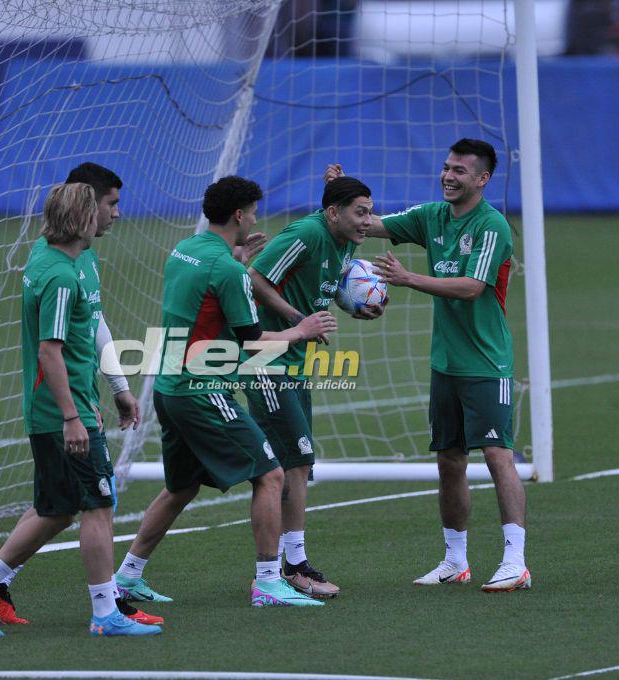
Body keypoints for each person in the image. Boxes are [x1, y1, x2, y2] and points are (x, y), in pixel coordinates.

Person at [113, 175, 337, 607]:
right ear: (239, 214)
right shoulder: (230, 272)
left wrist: (234, 256)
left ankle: (127, 576)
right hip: (203, 391)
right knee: (271, 474)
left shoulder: (186, 250)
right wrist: (301, 329)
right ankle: (269, 582)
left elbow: (206, 290)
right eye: (253, 211)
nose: (255, 218)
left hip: (169, 387)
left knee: (180, 487)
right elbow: (254, 343)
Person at [0, 183, 162, 637]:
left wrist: (110, 391)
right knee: (99, 506)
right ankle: (105, 614)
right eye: (108, 207)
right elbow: (50, 352)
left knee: (57, 508)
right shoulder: (62, 275)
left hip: (55, 409)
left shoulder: (53, 258)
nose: (115, 215)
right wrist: (73, 416)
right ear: (82, 218)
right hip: (63, 413)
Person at [324, 138, 531, 592]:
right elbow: (372, 225)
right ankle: (455, 560)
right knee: (449, 461)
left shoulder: (492, 226)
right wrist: (342, 201)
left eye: (460, 170)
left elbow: (473, 287)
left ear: (482, 179)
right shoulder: (430, 216)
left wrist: (407, 278)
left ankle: (515, 561)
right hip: (446, 362)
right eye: (446, 167)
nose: (449, 176)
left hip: (486, 361)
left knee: (498, 456)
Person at [241, 176, 384, 598]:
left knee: (293, 465)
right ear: (333, 213)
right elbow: (254, 278)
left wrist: (351, 303)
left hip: (295, 363)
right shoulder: (306, 234)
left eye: (370, 212)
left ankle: (285, 567)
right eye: (360, 212)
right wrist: (298, 322)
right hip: (267, 362)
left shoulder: (345, 238)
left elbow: (322, 283)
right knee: (293, 463)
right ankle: (290, 568)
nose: (368, 222)